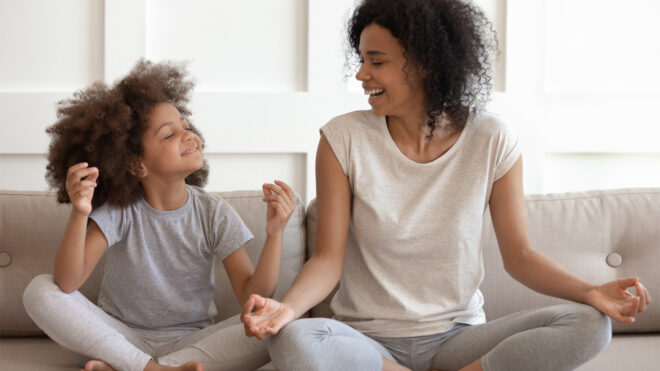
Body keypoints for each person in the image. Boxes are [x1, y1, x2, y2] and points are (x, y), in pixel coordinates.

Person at [240, 1, 652, 370]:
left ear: (425, 63)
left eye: (376, 61)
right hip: (368, 342)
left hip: (459, 338)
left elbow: (521, 256)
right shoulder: (342, 138)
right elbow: (328, 259)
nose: (361, 74)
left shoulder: (493, 138)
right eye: (362, 60)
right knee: (293, 339)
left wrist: (590, 291)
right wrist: (287, 309)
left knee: (589, 324)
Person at [22, 60, 296, 371]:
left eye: (186, 126)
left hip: (192, 342)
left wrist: (275, 234)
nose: (187, 134)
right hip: (118, 337)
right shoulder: (118, 212)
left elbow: (253, 297)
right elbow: (67, 283)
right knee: (40, 290)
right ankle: (151, 368)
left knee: (277, 324)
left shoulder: (214, 212)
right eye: (169, 135)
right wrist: (79, 212)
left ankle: (128, 367)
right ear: (137, 165)